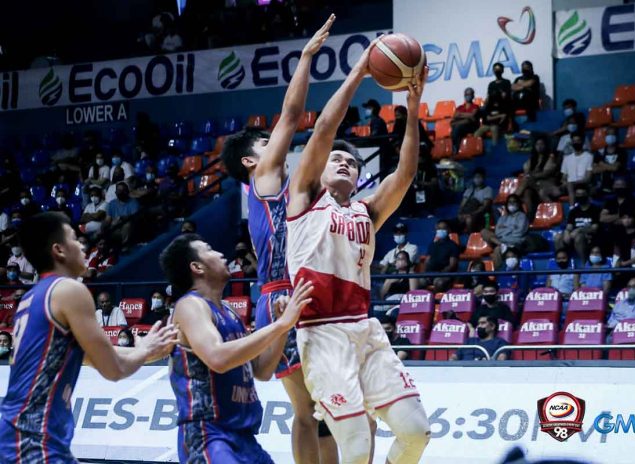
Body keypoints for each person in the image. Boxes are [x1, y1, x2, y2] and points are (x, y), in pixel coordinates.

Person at [285, 40, 431, 464]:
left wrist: (413, 108)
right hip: (323, 333)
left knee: (416, 432)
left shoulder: (368, 210)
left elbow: (405, 173)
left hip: (365, 330)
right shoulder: (306, 198)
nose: (344, 162)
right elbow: (324, 129)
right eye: (336, 159)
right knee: (355, 446)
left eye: (351, 162)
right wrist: (359, 73)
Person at [220, 16, 338, 464]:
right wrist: (306, 57)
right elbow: (291, 116)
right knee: (307, 409)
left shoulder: (293, 186)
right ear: (253, 159)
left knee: (327, 406)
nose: (278, 145)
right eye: (267, 143)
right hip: (282, 295)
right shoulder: (264, 180)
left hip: (308, 288)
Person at [0, 212, 177, 463]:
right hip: (32, 437)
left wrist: (150, 350)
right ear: (59, 250)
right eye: (74, 238)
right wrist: (145, 350)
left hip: (26, 434)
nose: (82, 244)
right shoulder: (69, 290)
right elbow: (114, 370)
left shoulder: (31, 298)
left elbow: (92, 357)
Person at [160, 233, 313, 463]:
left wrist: (281, 328)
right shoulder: (190, 306)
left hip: (243, 438)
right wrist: (281, 324)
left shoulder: (229, 311)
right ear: (197, 267)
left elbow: (262, 370)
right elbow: (217, 358)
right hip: (209, 435)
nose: (221, 254)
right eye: (210, 249)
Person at [517, 136, 560, 221]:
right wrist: (532, 175)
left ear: (545, 146)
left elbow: (546, 173)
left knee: (527, 180)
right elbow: (526, 170)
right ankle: (530, 215)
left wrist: (532, 176)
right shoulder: (532, 159)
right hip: (534, 186)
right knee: (527, 192)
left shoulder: (551, 157)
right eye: (537, 144)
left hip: (546, 185)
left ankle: (515, 196)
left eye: (541, 144)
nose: (539, 146)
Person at [554, 185, 599, 264]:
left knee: (579, 237)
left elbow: (595, 228)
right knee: (558, 237)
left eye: (582, 194)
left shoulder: (595, 209)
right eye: (578, 194)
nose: (580, 196)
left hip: (589, 237)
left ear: (587, 195)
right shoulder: (574, 211)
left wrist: (579, 230)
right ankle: (562, 263)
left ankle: (584, 264)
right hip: (573, 236)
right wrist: (567, 233)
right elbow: (569, 227)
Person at [481, 194, 530, 268]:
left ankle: (498, 275)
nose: (512, 204)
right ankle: (502, 245)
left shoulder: (522, 216)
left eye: (514, 202)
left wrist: (505, 229)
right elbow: (498, 232)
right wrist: (512, 228)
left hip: (514, 242)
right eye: (510, 202)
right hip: (501, 240)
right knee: (484, 232)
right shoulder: (503, 218)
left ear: (518, 203)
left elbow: (519, 232)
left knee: (498, 250)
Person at [424, 220, 460, 293]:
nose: (441, 230)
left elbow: (452, 265)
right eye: (439, 228)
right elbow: (427, 261)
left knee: (439, 283)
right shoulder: (432, 245)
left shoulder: (453, 246)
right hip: (431, 274)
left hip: (444, 275)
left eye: (443, 228)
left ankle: (436, 302)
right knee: (417, 281)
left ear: (449, 230)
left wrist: (440, 273)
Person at [457, 167, 494, 233]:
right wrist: (460, 213)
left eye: (479, 177)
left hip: (480, 215)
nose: (477, 179)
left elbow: (485, 207)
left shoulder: (488, 190)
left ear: (483, 178)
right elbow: (463, 204)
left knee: (469, 220)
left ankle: (472, 236)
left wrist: (472, 214)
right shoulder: (469, 190)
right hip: (468, 212)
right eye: (476, 177)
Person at [450, 87, 481, 153]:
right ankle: (455, 149)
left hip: (471, 127)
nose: (468, 96)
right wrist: (467, 116)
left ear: (473, 96)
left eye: (469, 94)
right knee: (457, 128)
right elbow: (455, 116)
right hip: (461, 127)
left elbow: (472, 115)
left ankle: (455, 149)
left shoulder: (475, 106)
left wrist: (460, 115)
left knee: (457, 127)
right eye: (466, 94)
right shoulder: (460, 107)